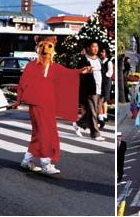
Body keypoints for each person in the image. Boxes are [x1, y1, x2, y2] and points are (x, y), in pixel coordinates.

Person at [12, 35, 91, 175]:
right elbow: (22, 84)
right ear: (38, 48)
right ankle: (45, 162)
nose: (45, 50)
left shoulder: (54, 67)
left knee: (39, 132)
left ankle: (27, 160)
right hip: (36, 103)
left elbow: (68, 74)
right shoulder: (31, 66)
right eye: (42, 46)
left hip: (48, 104)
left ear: (53, 50)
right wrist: (18, 100)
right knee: (45, 132)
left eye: (49, 47)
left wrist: (80, 71)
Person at [75, 39, 105, 141]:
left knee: (96, 112)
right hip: (90, 89)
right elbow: (79, 74)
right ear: (88, 48)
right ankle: (95, 133)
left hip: (100, 88)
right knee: (92, 112)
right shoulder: (84, 60)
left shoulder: (99, 60)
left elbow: (103, 74)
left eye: (97, 47)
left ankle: (79, 123)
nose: (95, 49)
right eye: (93, 46)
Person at [98, 46, 113, 127]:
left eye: (103, 52)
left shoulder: (109, 62)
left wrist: (103, 76)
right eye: (101, 52)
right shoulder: (99, 61)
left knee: (104, 99)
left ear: (106, 54)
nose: (101, 53)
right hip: (99, 81)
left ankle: (104, 115)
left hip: (106, 82)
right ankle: (101, 116)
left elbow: (110, 73)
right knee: (100, 98)